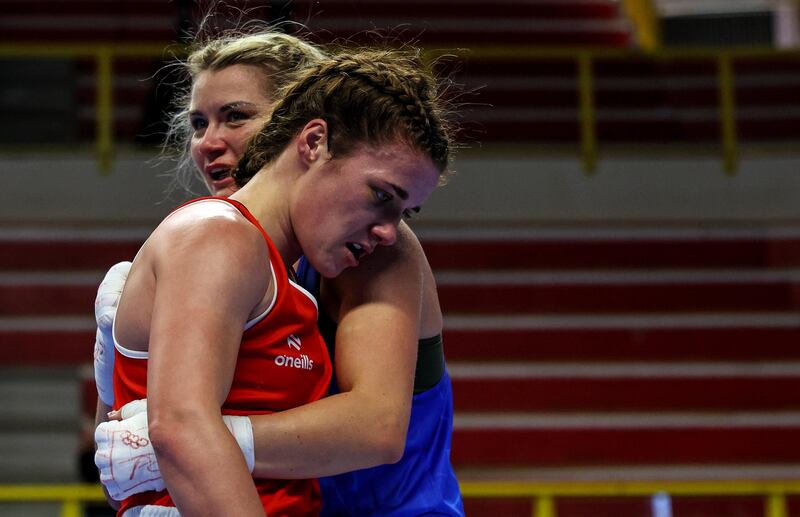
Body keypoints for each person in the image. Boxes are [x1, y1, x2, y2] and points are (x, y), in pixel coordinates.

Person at [93, 30, 464, 516]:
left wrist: (196, 435)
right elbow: (121, 462)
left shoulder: (369, 248)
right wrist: (114, 365)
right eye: (198, 123)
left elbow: (376, 427)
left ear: (303, 130)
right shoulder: (220, 243)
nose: (209, 142)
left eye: (236, 116)